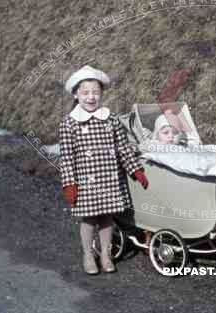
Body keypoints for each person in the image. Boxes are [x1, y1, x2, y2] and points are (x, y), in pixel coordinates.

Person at [58, 65, 150, 275]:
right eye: (85, 93)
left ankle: (106, 254)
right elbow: (67, 158)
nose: (91, 97)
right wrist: (69, 184)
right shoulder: (69, 123)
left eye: (95, 93)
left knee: (107, 218)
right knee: (89, 219)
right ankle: (88, 254)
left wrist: (135, 171)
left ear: (101, 94)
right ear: (76, 94)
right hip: (86, 182)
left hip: (109, 179)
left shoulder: (111, 119)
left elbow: (123, 148)